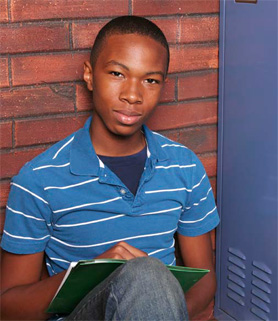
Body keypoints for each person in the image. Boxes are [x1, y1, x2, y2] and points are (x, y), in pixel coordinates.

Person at [0, 16, 219, 321]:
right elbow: (9, 309)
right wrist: (94, 273)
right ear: (89, 75)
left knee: (149, 278)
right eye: (117, 73)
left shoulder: (185, 166)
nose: (132, 95)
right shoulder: (39, 179)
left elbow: (204, 278)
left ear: (163, 86)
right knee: (144, 275)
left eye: (150, 80)